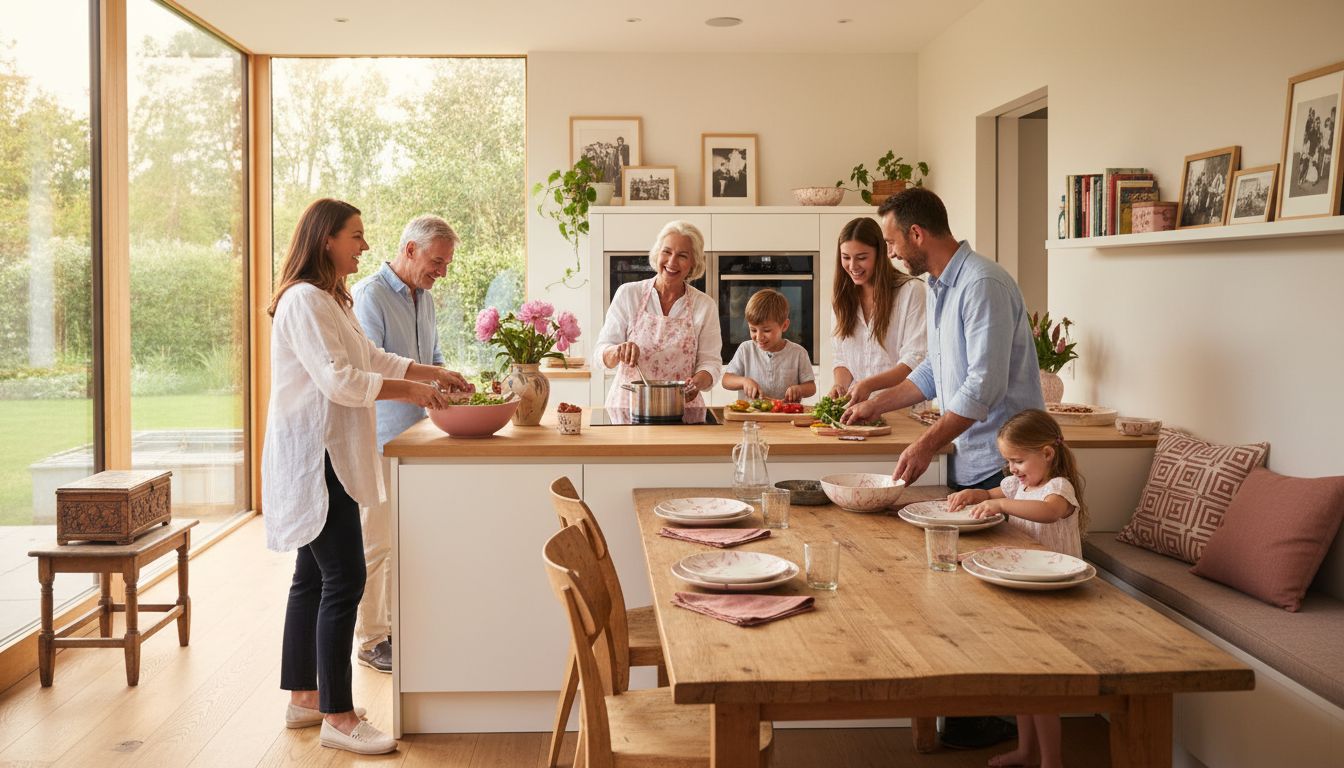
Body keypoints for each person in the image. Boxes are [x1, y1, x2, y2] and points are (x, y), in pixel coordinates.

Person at [263, 198, 468, 755]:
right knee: (346, 580)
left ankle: (304, 697)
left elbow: (371, 357)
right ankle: (340, 715)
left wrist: (431, 372)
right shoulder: (304, 300)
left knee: (311, 578)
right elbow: (341, 380)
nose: (364, 244)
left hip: (329, 452)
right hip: (317, 456)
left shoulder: (331, 299)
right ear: (326, 239)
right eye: (355, 235)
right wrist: (414, 391)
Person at [842, 187, 1044, 750]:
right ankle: (975, 714)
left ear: (916, 235)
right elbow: (938, 368)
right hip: (972, 454)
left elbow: (983, 385)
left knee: (1002, 597)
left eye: (888, 242)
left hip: (1006, 465)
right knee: (966, 591)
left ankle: (1000, 714)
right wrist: (876, 403)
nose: (889, 254)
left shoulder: (981, 283)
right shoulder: (938, 285)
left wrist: (929, 441)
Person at [350, 214, 466, 674]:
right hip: (379, 438)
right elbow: (370, 372)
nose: (442, 271)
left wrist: (448, 379)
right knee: (375, 544)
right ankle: (371, 638)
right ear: (410, 250)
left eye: (447, 264)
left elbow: (428, 360)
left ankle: (395, 628)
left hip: (415, 436)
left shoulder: (425, 300)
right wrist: (423, 385)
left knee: (403, 541)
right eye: (437, 262)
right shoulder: (370, 296)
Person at [948, 409, 1089, 768]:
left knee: (1041, 683)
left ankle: (1051, 761)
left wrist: (998, 502)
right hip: (1025, 586)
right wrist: (975, 495)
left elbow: (1048, 513)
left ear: (1047, 453)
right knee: (1024, 680)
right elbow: (993, 492)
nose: (1012, 469)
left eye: (1018, 460)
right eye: (1008, 461)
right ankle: (1027, 751)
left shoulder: (1058, 489)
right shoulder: (1017, 485)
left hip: (1056, 593)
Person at [592, 220, 722, 409]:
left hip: (681, 410)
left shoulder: (704, 306)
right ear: (657, 253)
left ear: (694, 262)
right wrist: (617, 351)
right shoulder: (629, 294)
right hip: (629, 408)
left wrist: (697, 382)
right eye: (667, 252)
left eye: (682, 256)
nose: (671, 262)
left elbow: (711, 364)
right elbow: (599, 355)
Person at [828, 216, 927, 404]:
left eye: (862, 258)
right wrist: (839, 387)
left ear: (880, 254)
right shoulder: (842, 298)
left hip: (902, 407)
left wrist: (869, 385)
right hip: (858, 408)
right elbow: (841, 358)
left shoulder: (911, 291)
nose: (852, 266)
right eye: (846, 257)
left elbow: (915, 360)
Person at [722, 288, 816, 401]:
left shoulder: (798, 353)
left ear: (784, 325)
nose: (759, 337)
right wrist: (744, 381)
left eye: (766, 330)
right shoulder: (745, 349)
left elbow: (811, 387)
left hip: (786, 415)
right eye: (753, 330)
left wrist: (799, 389)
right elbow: (726, 380)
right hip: (752, 415)